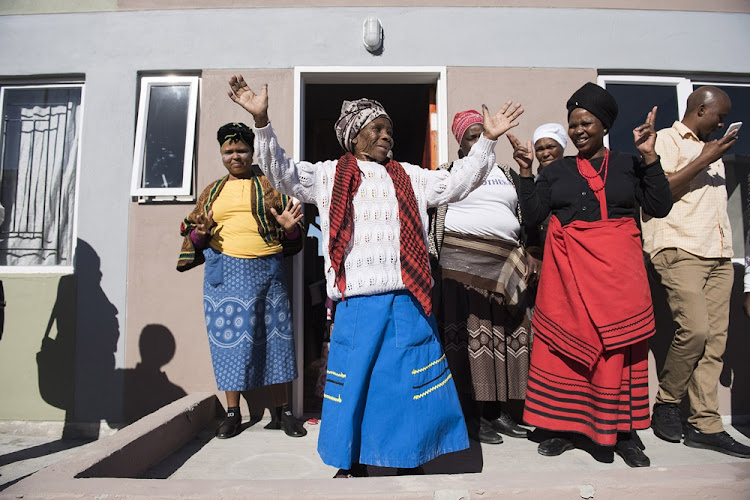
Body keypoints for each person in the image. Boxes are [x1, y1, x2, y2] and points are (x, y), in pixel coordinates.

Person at [226, 74, 524, 476]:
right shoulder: (329, 175)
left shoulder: (414, 177)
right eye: (376, 129)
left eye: (389, 130)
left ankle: (409, 457)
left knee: (405, 388)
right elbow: (282, 174)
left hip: (406, 301)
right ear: (354, 137)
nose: (386, 136)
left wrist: (487, 140)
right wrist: (262, 122)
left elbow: (458, 182)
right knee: (356, 386)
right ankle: (351, 461)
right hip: (357, 305)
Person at [518, 82, 673, 468]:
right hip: (571, 276)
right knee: (570, 350)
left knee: (618, 354)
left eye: (586, 123)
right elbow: (534, 216)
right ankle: (567, 429)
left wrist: (650, 156)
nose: (578, 131)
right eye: (573, 125)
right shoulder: (557, 171)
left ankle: (624, 434)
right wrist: (525, 172)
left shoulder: (628, 163)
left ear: (604, 125)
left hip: (620, 277)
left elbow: (659, 205)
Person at [177, 122, 306, 440]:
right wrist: (200, 232)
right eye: (228, 151)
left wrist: (289, 228)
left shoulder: (271, 186)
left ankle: (284, 412)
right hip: (225, 277)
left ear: (253, 152)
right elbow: (193, 235)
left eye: (242, 150)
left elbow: (293, 236)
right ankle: (233, 414)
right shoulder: (212, 192)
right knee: (229, 344)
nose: (235, 156)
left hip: (267, 274)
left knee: (277, 342)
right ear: (221, 153)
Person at [641, 86, 750, 459]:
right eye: (719, 115)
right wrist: (705, 158)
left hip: (719, 254)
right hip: (678, 247)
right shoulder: (668, 140)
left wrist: (711, 154)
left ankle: (707, 424)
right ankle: (668, 403)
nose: (722, 122)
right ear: (700, 109)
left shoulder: (712, 147)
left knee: (714, 342)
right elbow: (659, 193)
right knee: (696, 330)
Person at [428, 109, 538, 445]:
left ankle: (499, 413)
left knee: (504, 339)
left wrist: (526, 170)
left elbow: (529, 214)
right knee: (472, 340)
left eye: (482, 134)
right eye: (471, 136)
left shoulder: (506, 173)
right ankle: (473, 415)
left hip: (503, 269)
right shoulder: (449, 172)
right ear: (460, 143)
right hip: (460, 269)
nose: (478, 141)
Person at [507, 123, 568, 268]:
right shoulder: (530, 183)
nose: (545, 153)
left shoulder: (575, 178)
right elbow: (529, 220)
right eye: (540, 149)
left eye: (551, 147)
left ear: (561, 147)